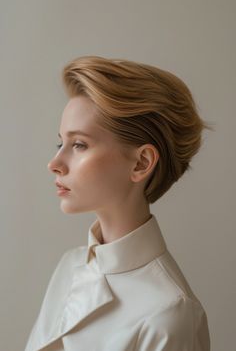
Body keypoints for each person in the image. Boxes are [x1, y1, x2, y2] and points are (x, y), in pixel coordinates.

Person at [25, 56, 213, 351]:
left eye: (79, 145)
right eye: (60, 142)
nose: (55, 163)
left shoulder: (170, 313)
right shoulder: (69, 266)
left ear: (141, 162)